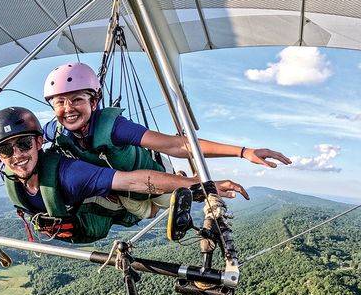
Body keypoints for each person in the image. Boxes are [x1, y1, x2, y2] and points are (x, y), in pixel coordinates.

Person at [0, 107, 248, 244]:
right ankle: (177, 182)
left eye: (24, 145)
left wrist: (200, 185)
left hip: (112, 205)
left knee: (145, 205)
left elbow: (136, 180)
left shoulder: (71, 174)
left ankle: (178, 182)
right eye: (5, 150)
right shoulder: (10, 165)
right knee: (137, 199)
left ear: (39, 143)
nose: (16, 155)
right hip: (77, 222)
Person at [41, 62, 292, 221]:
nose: (68, 109)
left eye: (77, 100)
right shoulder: (56, 129)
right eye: (60, 102)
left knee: (168, 201)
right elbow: (28, 142)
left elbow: (176, 145)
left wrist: (243, 151)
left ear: (94, 102)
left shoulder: (115, 128)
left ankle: (180, 179)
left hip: (154, 177)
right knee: (145, 212)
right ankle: (179, 182)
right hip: (125, 190)